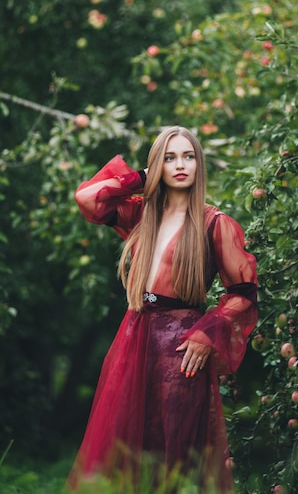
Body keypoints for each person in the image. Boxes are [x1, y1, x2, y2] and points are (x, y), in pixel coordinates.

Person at [66, 126, 258, 493]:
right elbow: (89, 198)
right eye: (169, 158)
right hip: (135, 337)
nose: (180, 164)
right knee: (126, 451)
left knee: (174, 453)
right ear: (158, 166)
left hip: (181, 346)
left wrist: (207, 333)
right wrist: (142, 177)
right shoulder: (141, 216)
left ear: (199, 164)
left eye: (188, 156)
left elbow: (244, 293)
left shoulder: (214, 223)